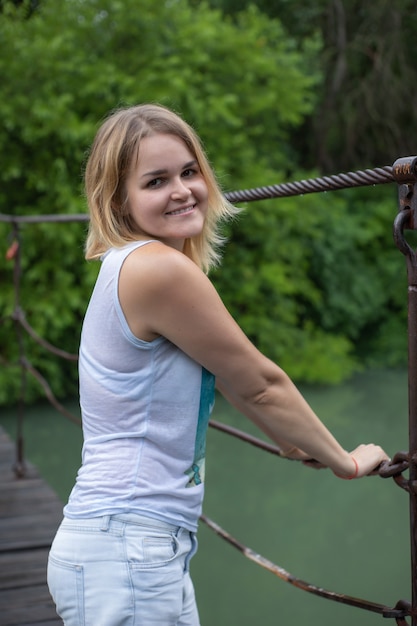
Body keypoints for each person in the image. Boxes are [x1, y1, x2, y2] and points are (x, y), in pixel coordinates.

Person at [47, 103, 389, 626]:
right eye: (156, 181)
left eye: (189, 171)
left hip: (136, 544)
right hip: (127, 548)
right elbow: (261, 384)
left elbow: (229, 378)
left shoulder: (140, 266)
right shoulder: (158, 270)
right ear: (119, 201)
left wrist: (292, 442)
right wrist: (344, 460)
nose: (182, 189)